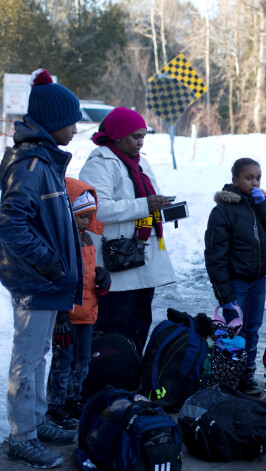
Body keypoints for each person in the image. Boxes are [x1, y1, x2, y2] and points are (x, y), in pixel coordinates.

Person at [0, 68, 81, 468]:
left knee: (40, 356)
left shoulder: (46, 161)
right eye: (72, 120)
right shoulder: (30, 164)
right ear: (51, 122)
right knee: (28, 359)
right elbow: (11, 224)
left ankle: (35, 422)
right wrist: (50, 263)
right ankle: (21, 436)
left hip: (47, 280)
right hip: (35, 279)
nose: (76, 128)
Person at [79, 107, 176, 354]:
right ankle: (105, 380)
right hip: (118, 258)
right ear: (118, 135)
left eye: (143, 136)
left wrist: (161, 207)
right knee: (114, 324)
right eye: (135, 136)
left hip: (143, 254)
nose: (140, 142)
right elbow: (96, 209)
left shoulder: (141, 162)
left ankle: (129, 376)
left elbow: (146, 201)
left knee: (139, 320)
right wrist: (145, 205)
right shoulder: (100, 161)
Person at [205, 158, 266, 395]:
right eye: (248, 178)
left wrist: (264, 206)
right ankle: (229, 374)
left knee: (253, 328)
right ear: (235, 180)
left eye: (258, 178)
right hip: (236, 283)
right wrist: (224, 294)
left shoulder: (261, 205)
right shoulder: (222, 211)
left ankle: (247, 374)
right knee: (234, 331)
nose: (254, 182)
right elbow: (215, 255)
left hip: (258, 281)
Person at [46, 178, 111, 430]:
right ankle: (55, 405)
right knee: (62, 361)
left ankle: (73, 399)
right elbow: (58, 279)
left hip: (87, 313)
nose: (86, 221)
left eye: (90, 216)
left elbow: (90, 273)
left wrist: (103, 278)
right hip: (67, 315)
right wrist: (60, 316)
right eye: (81, 215)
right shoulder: (61, 242)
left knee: (82, 361)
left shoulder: (87, 240)